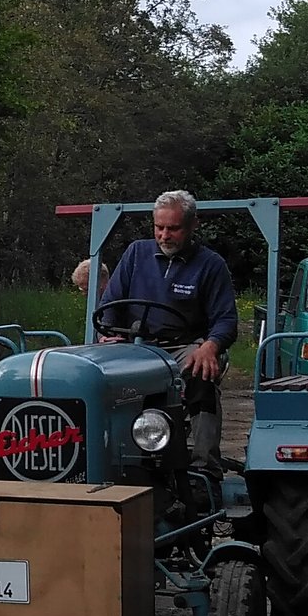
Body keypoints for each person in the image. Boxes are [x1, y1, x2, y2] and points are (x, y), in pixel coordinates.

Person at [96, 189, 238, 489]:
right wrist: (108, 333)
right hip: (137, 345)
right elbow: (110, 305)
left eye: (173, 228)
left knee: (200, 375)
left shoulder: (210, 265)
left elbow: (226, 320)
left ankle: (204, 468)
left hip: (186, 346)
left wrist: (210, 345)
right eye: (159, 227)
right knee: (98, 379)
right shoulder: (136, 254)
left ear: (192, 225)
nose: (164, 235)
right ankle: (107, 461)